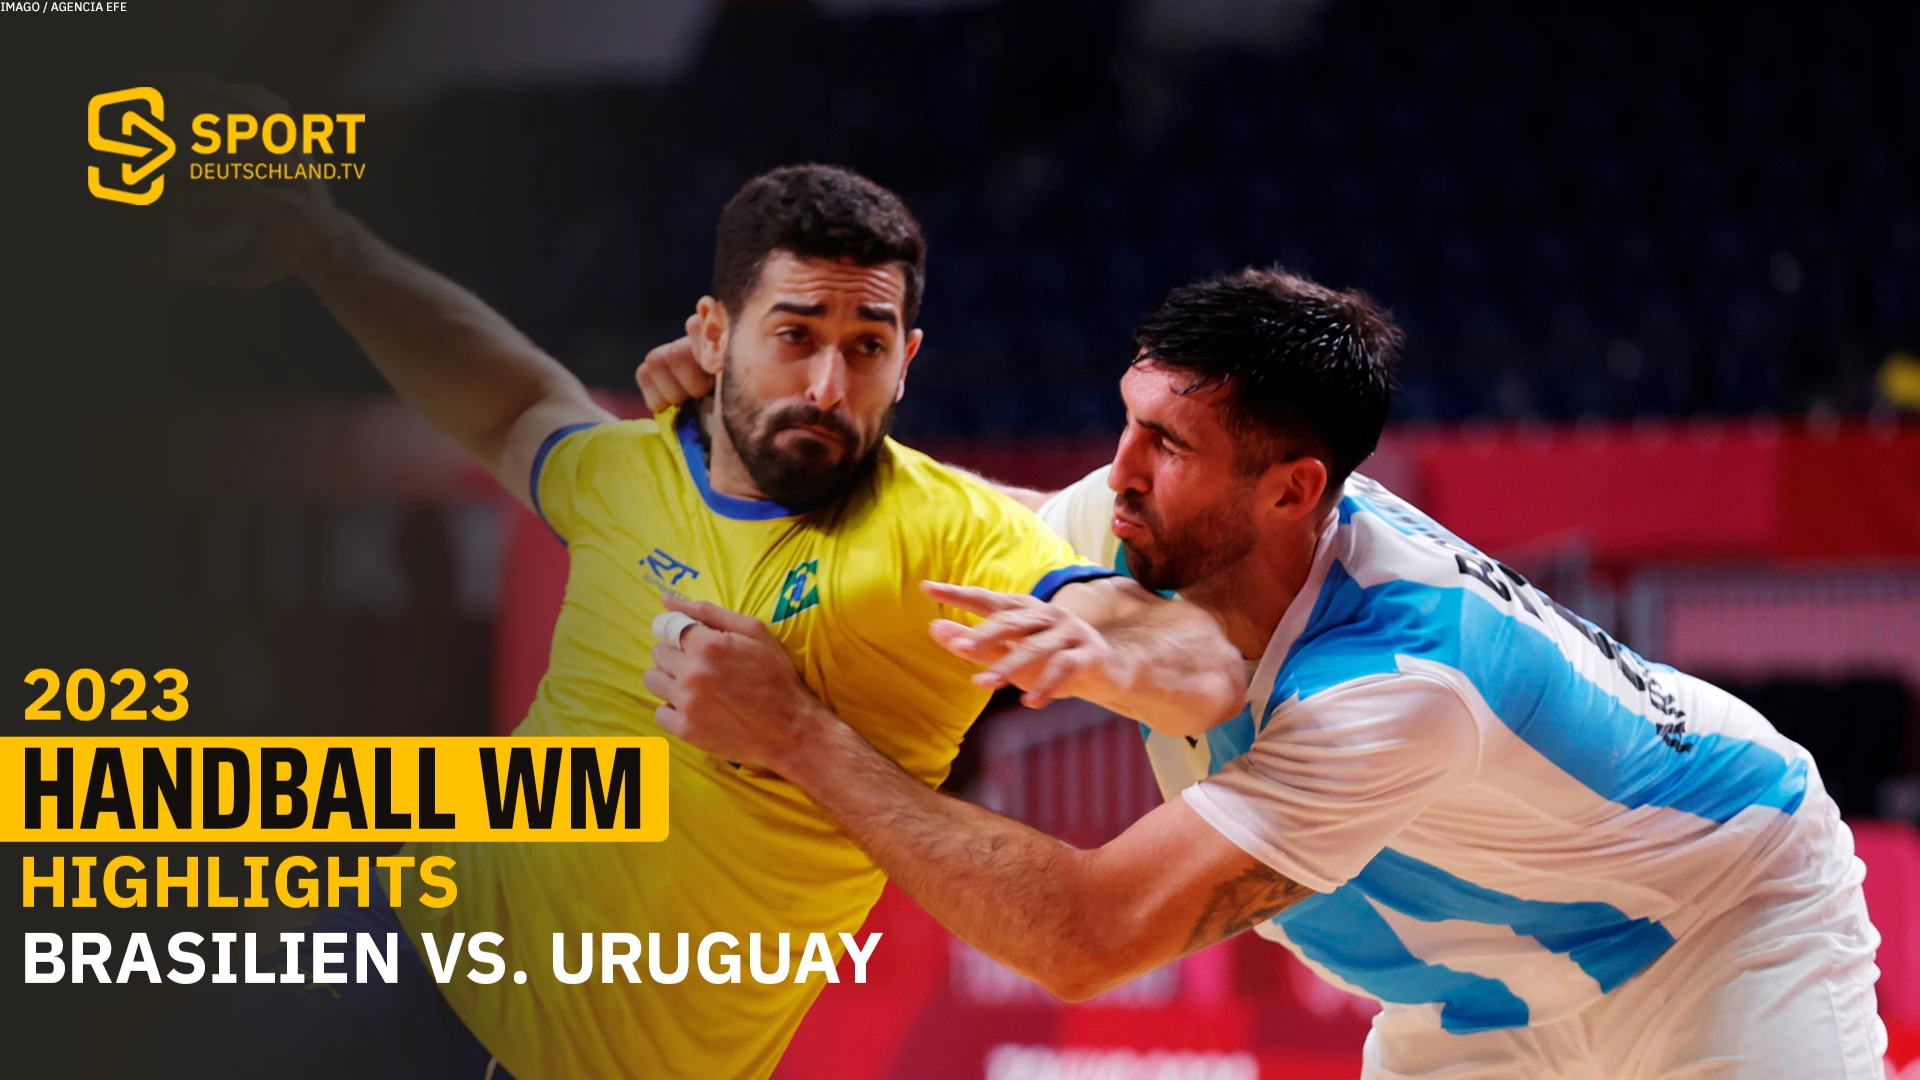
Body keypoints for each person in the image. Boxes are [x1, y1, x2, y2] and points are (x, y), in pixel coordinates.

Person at [638, 267, 1887, 1080]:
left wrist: (799, 738)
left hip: (1717, 925)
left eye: (1167, 443)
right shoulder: (1135, 519)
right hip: (1480, 1004)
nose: (1119, 471)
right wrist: (739, 435)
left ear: (1294, 492)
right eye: (1127, 418)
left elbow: (1086, 937)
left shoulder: (1394, 684)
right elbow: (905, 534)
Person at [184, 141, 1248, 1078]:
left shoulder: (947, 531)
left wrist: (1106, 651)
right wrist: (325, 242)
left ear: (907, 361)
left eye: (868, 346)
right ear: (713, 332)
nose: (828, 385)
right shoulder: (632, 470)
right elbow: (510, 403)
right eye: (794, 335)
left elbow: (1201, 666)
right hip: (397, 975)